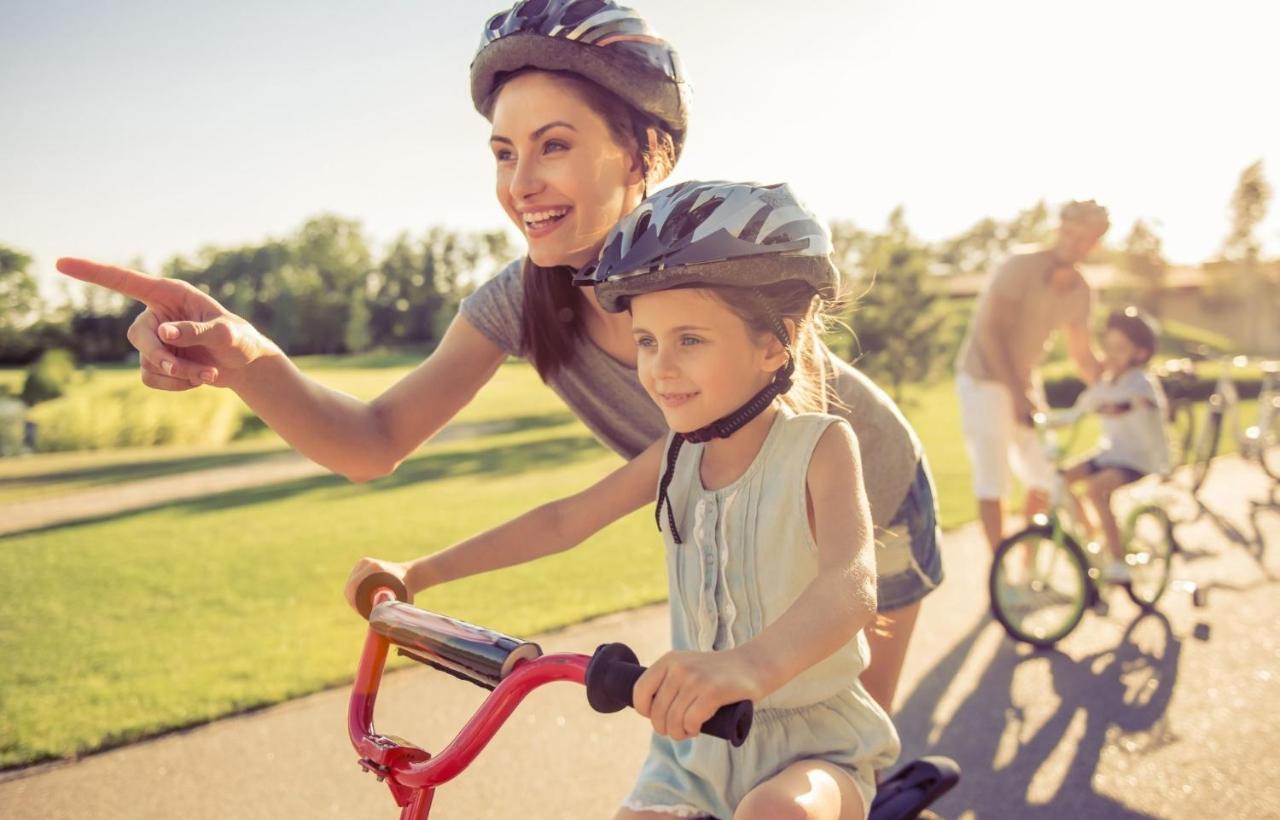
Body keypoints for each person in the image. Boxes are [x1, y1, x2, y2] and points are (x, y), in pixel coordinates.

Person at [53, 0, 939, 715]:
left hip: (861, 512)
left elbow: (802, 516)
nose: (521, 184)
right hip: (737, 530)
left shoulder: (717, 274)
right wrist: (246, 357)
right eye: (505, 153)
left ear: (643, 153)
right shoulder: (524, 299)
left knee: (819, 758)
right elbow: (373, 441)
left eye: (555, 145)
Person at [347, 181, 900, 820]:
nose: (659, 369)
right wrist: (420, 572)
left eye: (689, 340)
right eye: (646, 341)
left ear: (774, 344)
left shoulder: (819, 446)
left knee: (777, 815)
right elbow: (563, 520)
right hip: (691, 755)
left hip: (815, 749)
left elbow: (851, 582)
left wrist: (750, 667)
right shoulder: (674, 456)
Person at [954, 199, 1110, 552]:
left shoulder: (1082, 290)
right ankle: (1001, 571)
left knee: (1043, 475)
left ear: (1095, 244)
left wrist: (1117, 389)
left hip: (1023, 380)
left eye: (1083, 237)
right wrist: (1018, 395)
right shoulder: (1020, 266)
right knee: (994, 480)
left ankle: (1028, 565)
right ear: (1058, 229)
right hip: (983, 378)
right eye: (1068, 232)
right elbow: (991, 334)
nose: (1072, 242)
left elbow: (1082, 354)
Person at [1060, 307, 1171, 581]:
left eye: (1119, 348)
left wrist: (1116, 406)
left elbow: (1132, 403)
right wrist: (1044, 419)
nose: (1109, 355)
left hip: (1140, 459)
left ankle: (1118, 560)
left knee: (1095, 490)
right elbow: (1079, 409)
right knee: (1061, 479)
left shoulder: (1141, 383)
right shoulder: (1106, 382)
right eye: (1107, 347)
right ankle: (1094, 533)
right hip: (1111, 453)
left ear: (1140, 354)